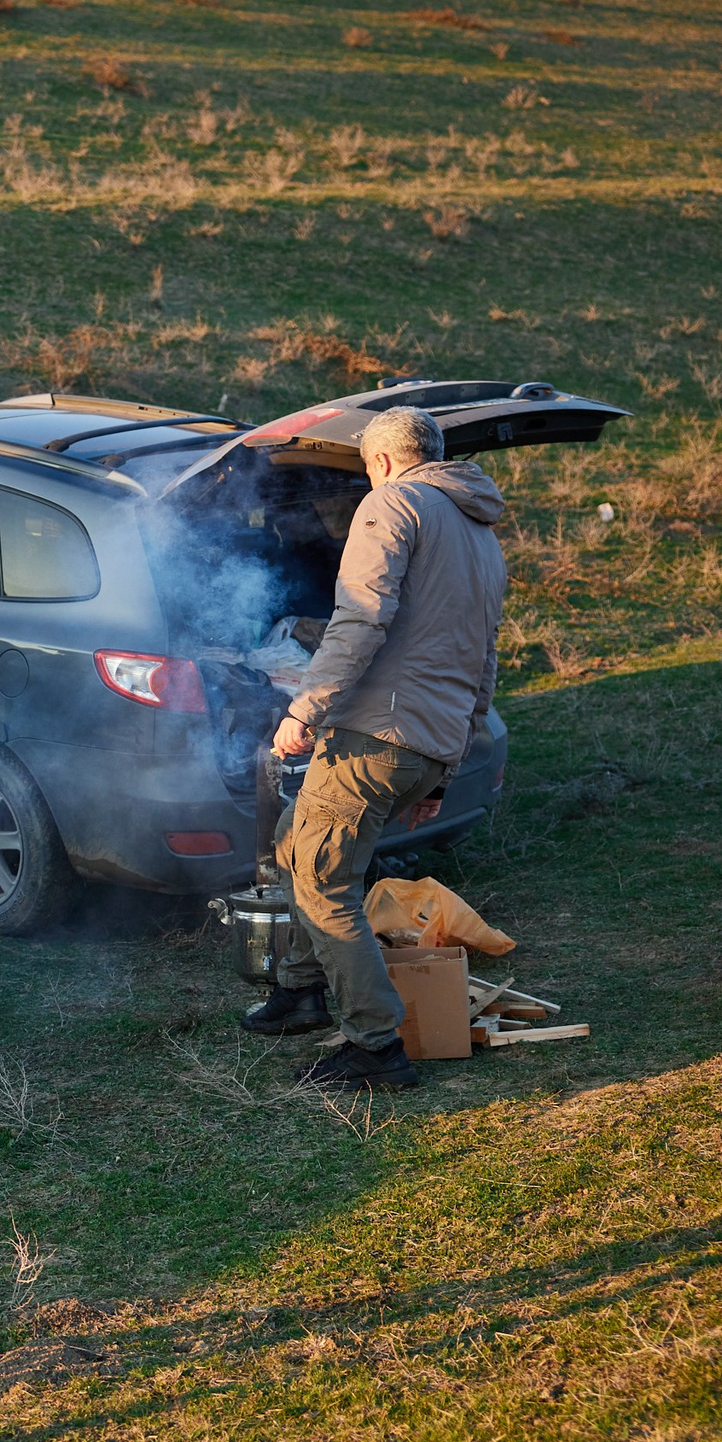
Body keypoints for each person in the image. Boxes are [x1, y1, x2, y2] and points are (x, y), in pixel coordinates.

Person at [237, 407, 508, 1090]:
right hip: (432, 741)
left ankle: (374, 1046)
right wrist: (448, 763)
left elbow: (359, 617)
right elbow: (484, 659)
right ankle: (301, 990)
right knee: (301, 846)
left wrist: (305, 709)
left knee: (325, 883)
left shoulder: (393, 503)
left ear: (381, 462)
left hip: (376, 734)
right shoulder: (481, 534)